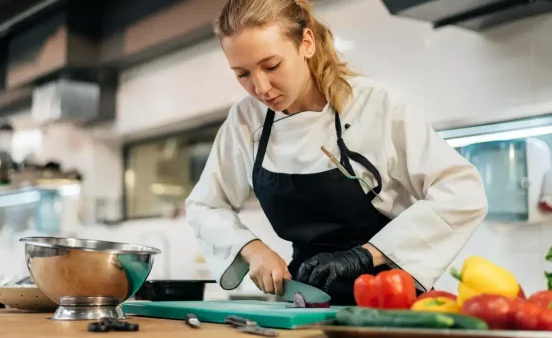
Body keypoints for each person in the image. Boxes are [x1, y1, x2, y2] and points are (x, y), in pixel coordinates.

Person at [185, 0, 488, 305]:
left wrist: (363, 257)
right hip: (305, 303)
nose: (261, 87)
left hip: (390, 299)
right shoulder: (246, 121)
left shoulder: (377, 106)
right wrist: (251, 248)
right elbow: (205, 205)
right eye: (242, 74)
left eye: (272, 66)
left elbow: (462, 191)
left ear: (306, 42)